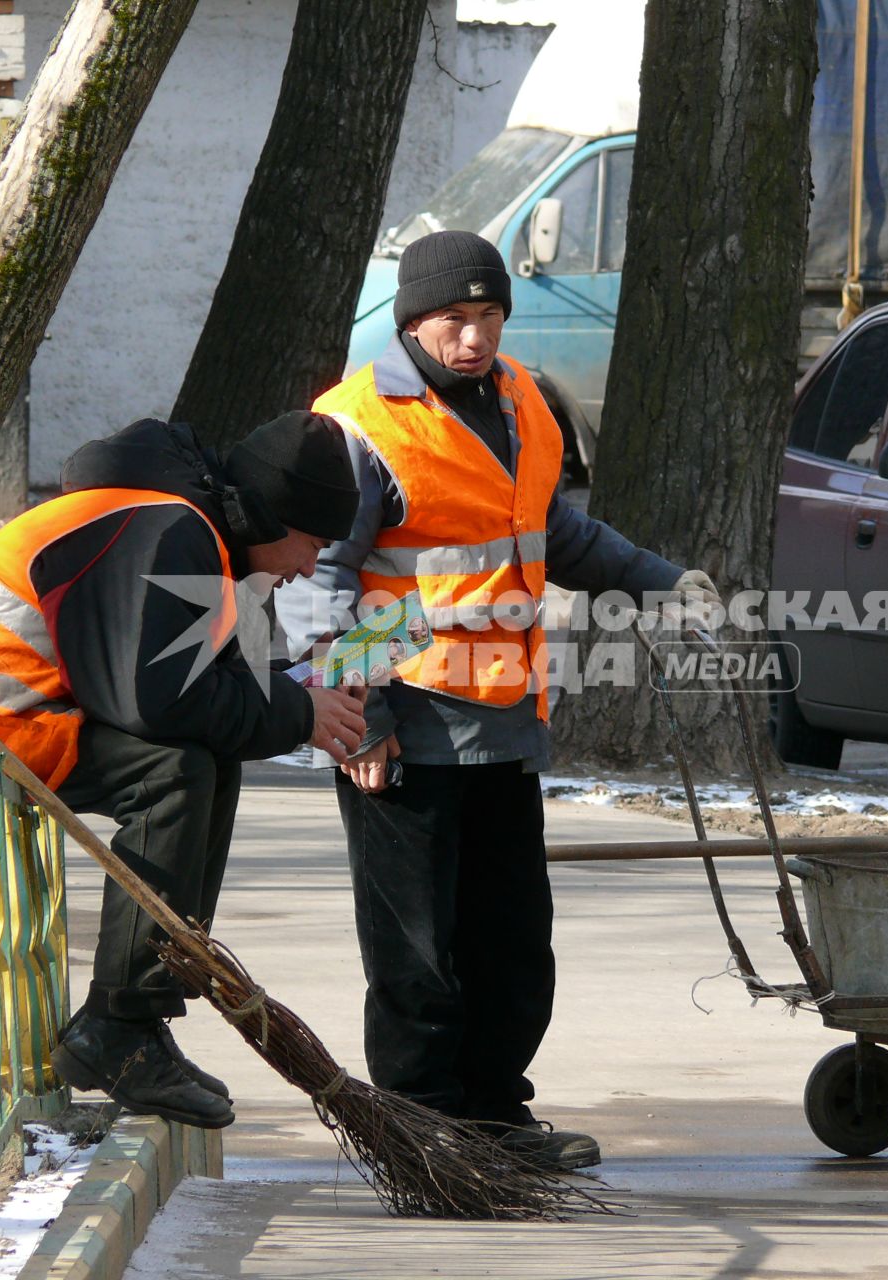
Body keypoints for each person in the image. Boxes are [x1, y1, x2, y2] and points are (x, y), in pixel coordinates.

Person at [276, 230, 718, 1171]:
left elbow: (553, 531)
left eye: (487, 317)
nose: (473, 339)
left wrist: (663, 581)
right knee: (417, 960)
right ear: (412, 323)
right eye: (453, 320)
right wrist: (357, 716)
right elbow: (321, 583)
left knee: (512, 951)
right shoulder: (359, 424)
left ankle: (494, 1121)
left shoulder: (521, 402)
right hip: (405, 727)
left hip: (505, 726)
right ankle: (425, 1134)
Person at [0, 412, 368, 1129]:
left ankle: (141, 1014)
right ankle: (119, 1025)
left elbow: (228, 683)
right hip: (10, 729)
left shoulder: (210, 538)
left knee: (206, 762)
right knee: (172, 771)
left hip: (59, 712)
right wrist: (298, 715)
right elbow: (156, 701)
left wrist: (300, 693)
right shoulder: (167, 528)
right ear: (275, 514)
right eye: (313, 543)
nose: (310, 565)